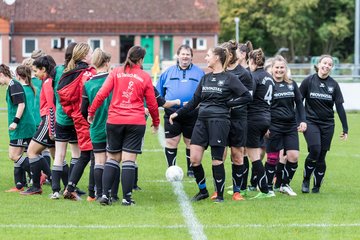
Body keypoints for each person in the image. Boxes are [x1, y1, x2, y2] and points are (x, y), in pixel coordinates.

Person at [169, 46, 252, 203]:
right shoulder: (205, 78)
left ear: (217, 58)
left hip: (220, 122)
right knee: (194, 158)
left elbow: (246, 96)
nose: (206, 58)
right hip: (201, 121)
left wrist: (229, 103)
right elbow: (195, 101)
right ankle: (203, 191)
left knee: (217, 159)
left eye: (208, 55)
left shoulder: (230, 78)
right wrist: (178, 113)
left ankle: (220, 196)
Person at [88, 46, 160, 206]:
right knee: (129, 160)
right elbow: (153, 104)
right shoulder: (145, 76)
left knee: (112, 158)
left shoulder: (115, 72)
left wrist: (91, 112)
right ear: (140, 60)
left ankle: (105, 196)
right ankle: (127, 198)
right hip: (135, 122)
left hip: (114, 121)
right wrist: (156, 122)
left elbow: (101, 94)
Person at [210, 40, 253, 201]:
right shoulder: (218, 72)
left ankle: (237, 191)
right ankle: (218, 190)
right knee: (219, 155)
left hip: (238, 119)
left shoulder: (245, 74)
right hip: (220, 119)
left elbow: (249, 98)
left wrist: (229, 103)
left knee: (237, 155)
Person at [299, 55, 348, 193]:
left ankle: (317, 186)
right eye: (324, 63)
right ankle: (306, 179)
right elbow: (299, 102)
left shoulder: (334, 84)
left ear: (331, 68)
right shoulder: (308, 81)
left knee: (322, 155)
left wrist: (345, 128)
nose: (326, 66)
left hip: (328, 124)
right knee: (315, 149)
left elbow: (339, 107)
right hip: (311, 122)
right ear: (319, 64)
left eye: (330, 64)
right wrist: (301, 120)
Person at [156, 45, 204, 177]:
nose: (185, 57)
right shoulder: (167, 72)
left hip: (192, 113)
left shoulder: (199, 73)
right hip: (172, 112)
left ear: (191, 57)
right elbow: (158, 93)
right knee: (172, 141)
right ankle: (171, 169)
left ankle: (191, 170)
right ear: (177, 56)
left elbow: (204, 94)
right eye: (182, 54)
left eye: (188, 54)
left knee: (190, 141)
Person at [57, 42, 96, 200]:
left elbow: (63, 99)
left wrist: (73, 113)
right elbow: (93, 94)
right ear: (85, 56)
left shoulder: (69, 72)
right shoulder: (88, 73)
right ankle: (94, 193)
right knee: (95, 153)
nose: (92, 56)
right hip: (89, 117)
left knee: (86, 154)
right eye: (91, 53)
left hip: (78, 118)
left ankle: (70, 187)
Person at [264, 55, 307, 196]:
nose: (279, 70)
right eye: (277, 67)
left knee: (293, 156)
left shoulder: (292, 84)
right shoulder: (267, 85)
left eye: (282, 67)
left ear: (285, 69)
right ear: (272, 68)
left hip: (290, 126)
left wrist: (302, 121)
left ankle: (284, 184)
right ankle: (268, 187)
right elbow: (263, 106)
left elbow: (300, 104)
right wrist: (265, 126)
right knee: (272, 158)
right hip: (273, 126)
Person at [20, 56, 57, 195]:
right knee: (56, 155)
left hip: (48, 121)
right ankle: (65, 185)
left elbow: (51, 107)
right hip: (47, 120)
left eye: (36, 71)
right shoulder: (48, 81)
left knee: (31, 151)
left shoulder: (47, 83)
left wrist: (51, 128)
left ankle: (36, 186)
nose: (34, 74)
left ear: (44, 69)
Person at [50, 42, 82, 199]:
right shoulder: (79, 71)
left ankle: (55, 190)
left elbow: (53, 92)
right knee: (76, 154)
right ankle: (71, 187)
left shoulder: (57, 70)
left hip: (61, 117)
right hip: (75, 117)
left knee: (59, 154)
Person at [81, 48, 112, 201]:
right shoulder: (113, 80)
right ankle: (111, 193)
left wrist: (89, 118)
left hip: (97, 126)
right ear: (107, 63)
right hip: (114, 125)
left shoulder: (88, 84)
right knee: (112, 160)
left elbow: (83, 109)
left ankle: (99, 194)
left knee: (98, 161)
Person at [0, 64, 36, 192]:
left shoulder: (14, 86)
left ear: (1, 75)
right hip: (19, 127)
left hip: (21, 127)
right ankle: (20, 185)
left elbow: (21, 105)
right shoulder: (12, 85)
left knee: (13, 155)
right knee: (19, 155)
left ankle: (36, 173)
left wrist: (15, 122)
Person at [246, 48, 276, 199]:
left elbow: (249, 98)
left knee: (254, 157)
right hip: (266, 118)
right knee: (255, 154)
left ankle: (266, 189)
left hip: (254, 119)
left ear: (251, 61)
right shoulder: (269, 77)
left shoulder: (253, 76)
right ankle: (261, 187)